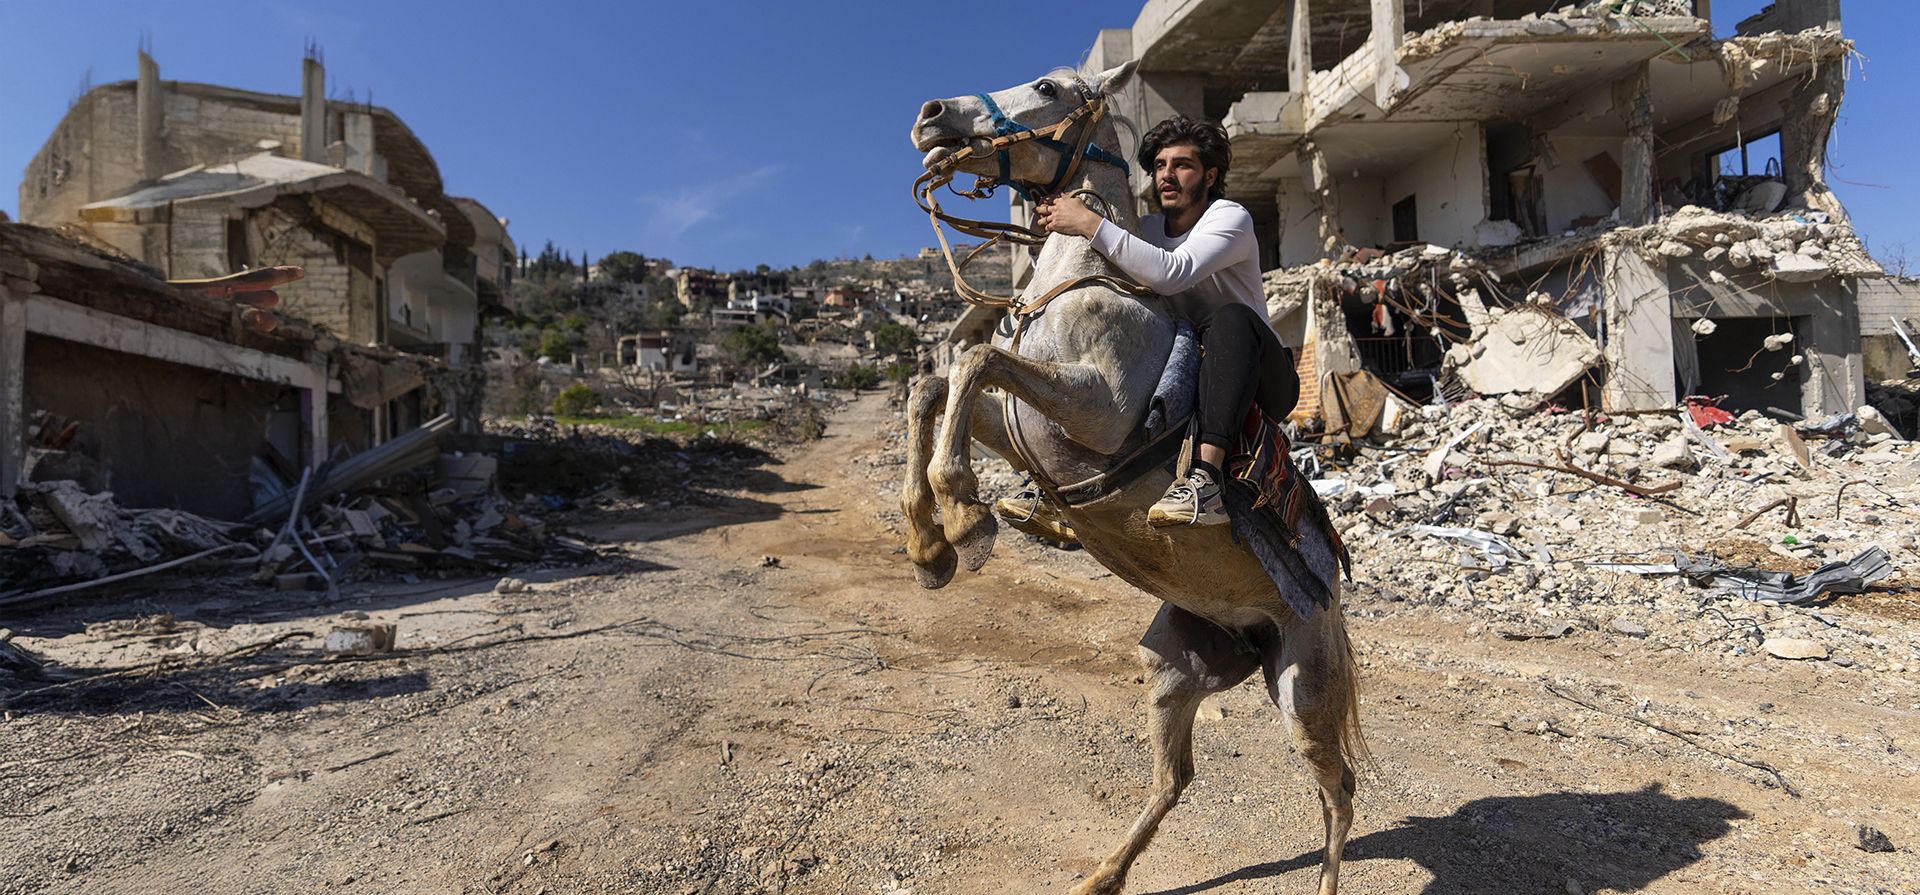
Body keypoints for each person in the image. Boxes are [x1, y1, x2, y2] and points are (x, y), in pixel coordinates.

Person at [1032, 116, 1297, 526]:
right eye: (1159, 166)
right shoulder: (1147, 229)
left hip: (1258, 373)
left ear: (1209, 175)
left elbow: (1173, 272)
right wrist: (1053, 233)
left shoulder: (1230, 218)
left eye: (1181, 165)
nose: (1166, 175)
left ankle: (1206, 483)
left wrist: (1088, 222)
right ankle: (1053, 478)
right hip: (1185, 370)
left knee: (1229, 319)